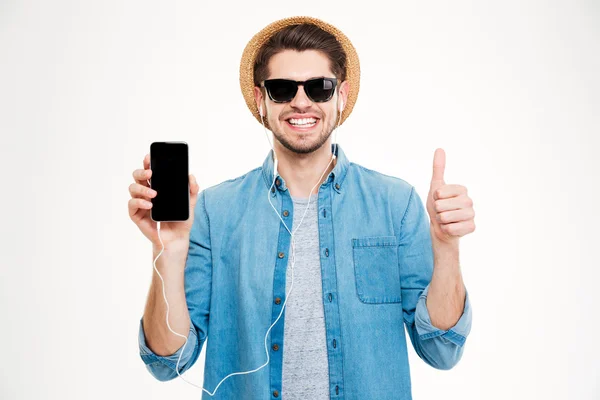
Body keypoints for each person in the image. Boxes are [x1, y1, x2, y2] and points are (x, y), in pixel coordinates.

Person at [129, 16, 475, 400]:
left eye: (319, 87)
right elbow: (166, 361)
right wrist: (168, 252)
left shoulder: (395, 205)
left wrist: (446, 248)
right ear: (261, 100)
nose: (301, 101)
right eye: (281, 89)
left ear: (340, 96)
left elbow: (441, 350)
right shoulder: (216, 211)